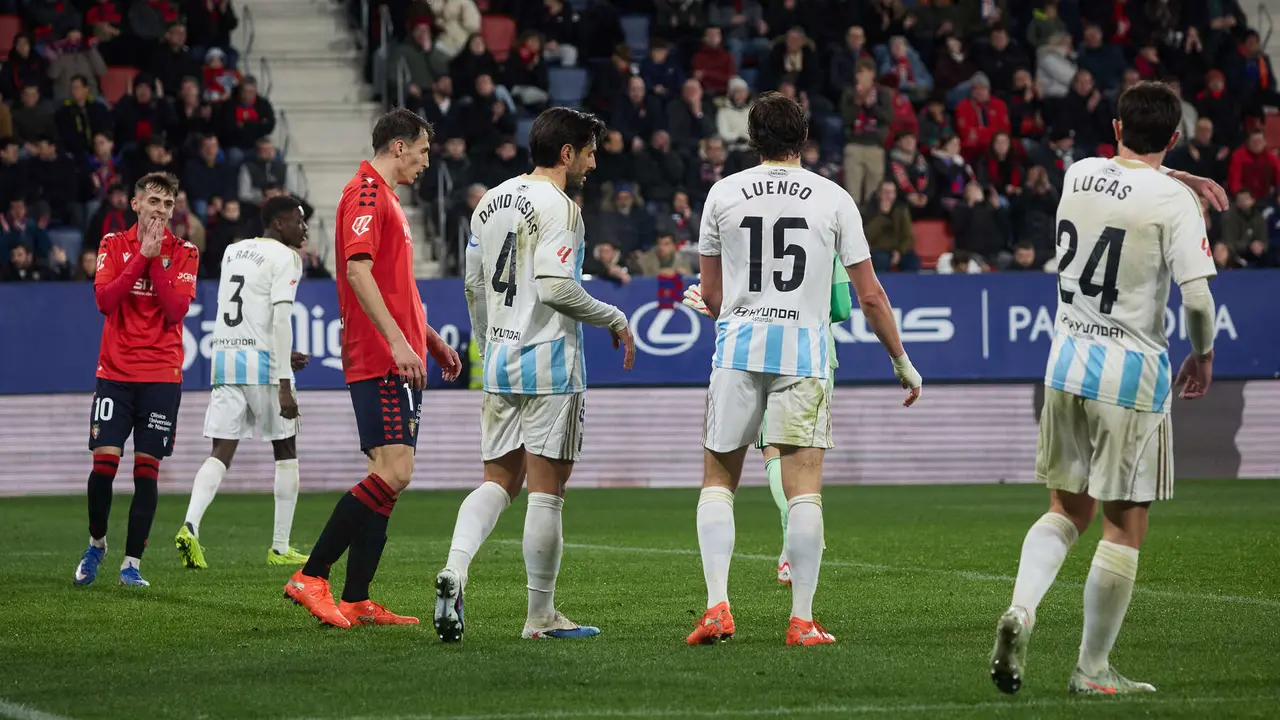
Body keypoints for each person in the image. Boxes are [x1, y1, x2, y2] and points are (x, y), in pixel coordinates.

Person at [989, 82, 1220, 696]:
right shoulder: (1174, 202)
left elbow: (1127, 177)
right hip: (1130, 375)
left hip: (1065, 363)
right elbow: (1196, 297)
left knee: (1064, 508)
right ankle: (1091, 669)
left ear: (1116, 127)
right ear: (1174, 138)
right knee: (1124, 523)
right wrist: (1203, 354)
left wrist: (1177, 178)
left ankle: (1022, 609)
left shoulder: (1076, 174)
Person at [685, 92, 922, 647]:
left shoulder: (722, 194)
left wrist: (713, 305)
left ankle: (717, 606)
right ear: (805, 137)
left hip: (738, 349)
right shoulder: (835, 198)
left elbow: (714, 294)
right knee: (804, 491)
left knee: (719, 480)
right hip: (803, 354)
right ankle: (802, 620)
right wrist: (902, 362)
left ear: (752, 137)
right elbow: (869, 296)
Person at [433, 107, 636, 643]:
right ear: (566, 153)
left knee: (497, 479)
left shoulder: (489, 202)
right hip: (549, 364)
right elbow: (554, 288)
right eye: (589, 152)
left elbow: (473, 287)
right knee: (546, 492)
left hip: (499, 359)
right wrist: (614, 317)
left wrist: (487, 342)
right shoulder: (563, 209)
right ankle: (540, 616)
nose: (593, 164)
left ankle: (455, 569)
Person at [282, 109, 462, 629]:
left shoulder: (387, 200)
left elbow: (395, 285)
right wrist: (400, 343)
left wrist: (428, 339)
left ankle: (357, 597)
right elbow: (357, 272)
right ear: (399, 146)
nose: (427, 162)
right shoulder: (364, 193)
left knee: (386, 474)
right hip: (381, 358)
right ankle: (311, 576)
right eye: (424, 151)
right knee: (395, 471)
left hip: (400, 353)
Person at [682, 261, 852, 584]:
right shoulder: (825, 222)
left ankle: (791, 537)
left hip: (755, 351)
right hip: (813, 354)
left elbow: (729, 294)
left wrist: (719, 307)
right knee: (803, 462)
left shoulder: (744, 225)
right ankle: (801, 540)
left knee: (769, 450)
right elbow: (842, 307)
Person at [73, 172, 199, 588]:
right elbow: (105, 301)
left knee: (147, 471)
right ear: (136, 204)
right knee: (103, 466)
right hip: (115, 374)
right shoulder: (112, 244)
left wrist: (154, 257)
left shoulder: (185, 252)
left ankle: (131, 564)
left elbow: (175, 310)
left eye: (168, 204)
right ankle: (97, 544)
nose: (161, 211)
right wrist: (141, 256)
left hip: (162, 377)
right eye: (154, 202)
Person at [174, 196, 312, 570]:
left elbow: (250, 312)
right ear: (279, 224)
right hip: (265, 370)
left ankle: (190, 525)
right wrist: (284, 380)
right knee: (286, 451)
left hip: (226, 361)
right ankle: (280, 547)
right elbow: (280, 320)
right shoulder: (287, 258)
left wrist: (286, 352)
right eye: (299, 222)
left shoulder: (233, 252)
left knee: (221, 451)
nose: (305, 229)